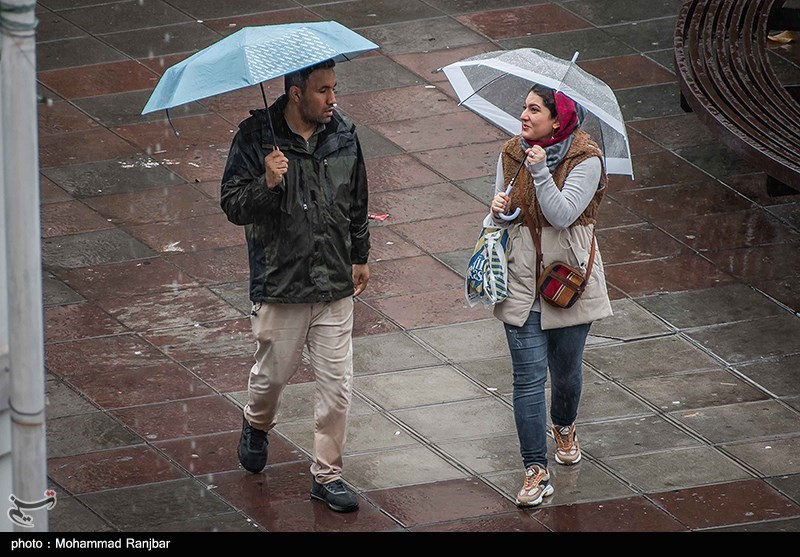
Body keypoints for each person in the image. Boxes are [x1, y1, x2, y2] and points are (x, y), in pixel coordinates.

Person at [220, 58, 370, 513]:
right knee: (272, 378)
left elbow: (358, 197)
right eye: (323, 91)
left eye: (335, 89)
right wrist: (267, 182)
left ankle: (328, 476)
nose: (333, 99)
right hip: (280, 284)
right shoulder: (254, 139)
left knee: (337, 387)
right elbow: (232, 204)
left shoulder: (343, 133)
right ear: (296, 94)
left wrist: (359, 254)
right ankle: (256, 421)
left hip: (334, 282)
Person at [486, 84, 612, 507]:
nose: (524, 115)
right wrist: (498, 209)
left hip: (568, 281)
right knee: (527, 378)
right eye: (523, 107)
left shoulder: (586, 158)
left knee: (566, 372)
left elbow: (562, 214)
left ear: (557, 120)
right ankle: (534, 470)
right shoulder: (511, 151)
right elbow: (501, 217)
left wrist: (540, 171)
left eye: (534, 109)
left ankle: (564, 424)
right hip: (522, 280)